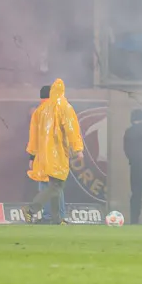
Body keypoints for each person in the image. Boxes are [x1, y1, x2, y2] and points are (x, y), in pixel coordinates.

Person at [26, 80, 83, 225]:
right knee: (56, 186)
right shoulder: (62, 107)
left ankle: (55, 219)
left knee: (49, 186)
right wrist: (78, 149)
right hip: (56, 155)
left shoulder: (38, 112)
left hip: (41, 157)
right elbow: (71, 128)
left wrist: (32, 156)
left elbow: (33, 137)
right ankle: (32, 210)